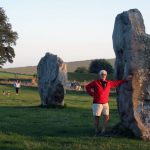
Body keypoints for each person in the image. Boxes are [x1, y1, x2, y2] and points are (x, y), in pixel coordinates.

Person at [86, 70, 132, 136]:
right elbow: (87, 87)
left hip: (105, 103)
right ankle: (96, 130)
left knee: (107, 117)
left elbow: (117, 83)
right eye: (102, 74)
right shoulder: (95, 82)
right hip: (97, 103)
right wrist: (92, 94)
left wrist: (125, 80)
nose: (103, 75)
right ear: (99, 75)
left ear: (106, 75)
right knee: (97, 117)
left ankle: (103, 130)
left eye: (104, 74)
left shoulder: (109, 83)